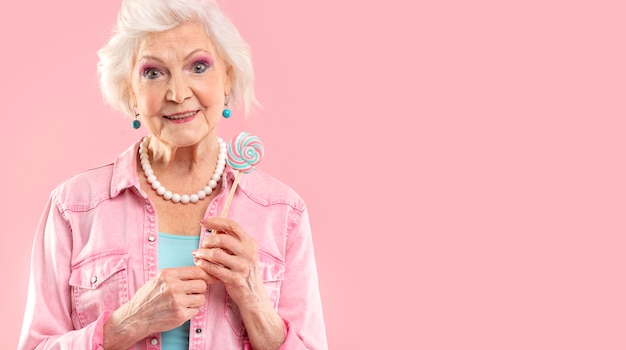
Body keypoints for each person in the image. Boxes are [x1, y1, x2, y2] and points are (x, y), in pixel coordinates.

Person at [18, 0, 327, 349]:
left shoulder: (283, 212)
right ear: (130, 91)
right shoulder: (73, 208)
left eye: (198, 66)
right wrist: (126, 323)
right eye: (153, 72)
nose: (178, 94)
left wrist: (254, 298)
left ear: (227, 76)